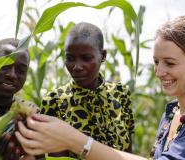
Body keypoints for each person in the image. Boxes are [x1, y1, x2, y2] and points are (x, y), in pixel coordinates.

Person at [14, 13, 185, 160]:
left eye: (170, 63)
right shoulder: (173, 112)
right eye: (156, 62)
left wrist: (76, 141)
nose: (159, 72)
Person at [37, 22, 134, 158]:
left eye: (86, 58)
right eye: (70, 58)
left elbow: (128, 153)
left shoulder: (121, 94)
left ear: (103, 56)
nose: (77, 66)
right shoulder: (54, 101)